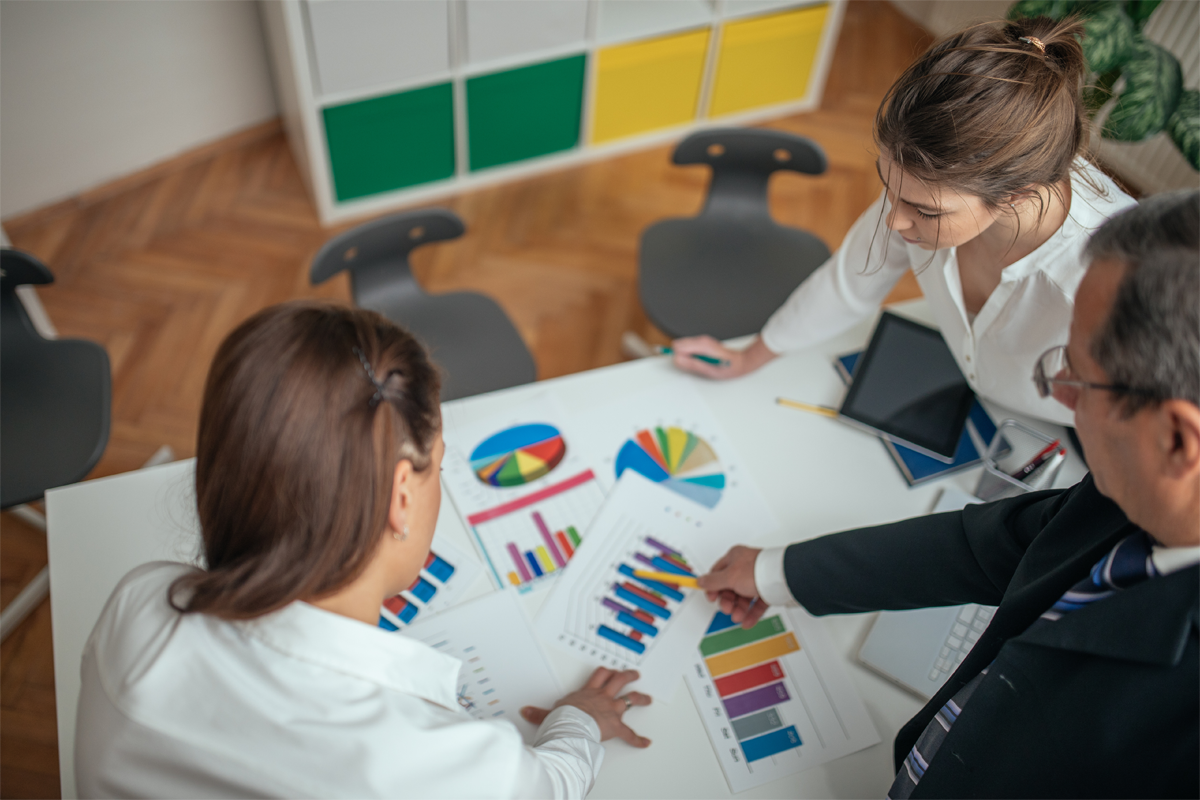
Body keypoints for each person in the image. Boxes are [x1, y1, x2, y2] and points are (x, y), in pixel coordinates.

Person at [697, 190, 1199, 798]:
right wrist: (781, 573)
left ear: (1177, 439)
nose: (1058, 396)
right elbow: (992, 547)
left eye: (1079, 378)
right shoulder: (1124, 496)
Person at [74, 302, 651, 798]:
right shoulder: (446, 767)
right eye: (438, 468)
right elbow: (547, 786)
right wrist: (577, 721)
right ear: (402, 493)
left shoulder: (143, 600)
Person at [671, 16, 1136, 427]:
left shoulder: (1121, 280)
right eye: (889, 187)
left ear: (1017, 195)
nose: (893, 220)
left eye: (925, 211)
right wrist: (750, 356)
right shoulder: (931, 183)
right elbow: (851, 280)